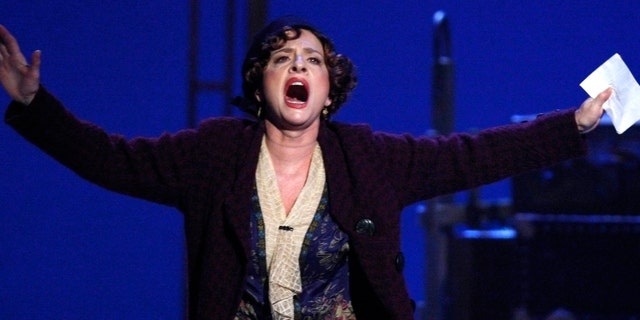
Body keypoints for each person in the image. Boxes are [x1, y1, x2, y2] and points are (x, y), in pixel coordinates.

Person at [0, 15, 611, 320]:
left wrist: (571, 126)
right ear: (260, 82)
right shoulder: (213, 155)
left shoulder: (369, 158)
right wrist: (34, 104)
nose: (299, 66)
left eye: (312, 59)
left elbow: (472, 155)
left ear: (328, 86)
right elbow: (111, 161)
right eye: (282, 58)